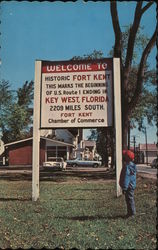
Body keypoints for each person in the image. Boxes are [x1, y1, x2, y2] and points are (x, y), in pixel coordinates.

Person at [119, 150, 137, 218]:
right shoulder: (132, 165)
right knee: (130, 199)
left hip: (128, 186)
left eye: (124, 156)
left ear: (126, 158)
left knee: (129, 200)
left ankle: (131, 213)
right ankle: (130, 213)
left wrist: (124, 188)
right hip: (131, 185)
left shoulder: (127, 167)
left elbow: (126, 178)